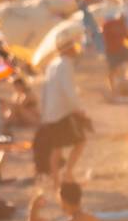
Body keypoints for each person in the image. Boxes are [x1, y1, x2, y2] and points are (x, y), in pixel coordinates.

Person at [33, 42, 88, 183]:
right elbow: (68, 89)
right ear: (69, 49)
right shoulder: (65, 64)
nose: (77, 48)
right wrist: (78, 109)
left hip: (51, 113)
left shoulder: (53, 64)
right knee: (80, 141)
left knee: (57, 148)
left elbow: (46, 89)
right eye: (74, 46)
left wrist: (44, 112)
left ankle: (57, 181)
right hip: (62, 112)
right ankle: (67, 173)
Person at [101, 11, 128, 95]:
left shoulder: (120, 25)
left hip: (118, 49)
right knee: (113, 70)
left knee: (118, 69)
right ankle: (114, 88)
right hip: (112, 50)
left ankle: (121, 86)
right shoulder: (109, 25)